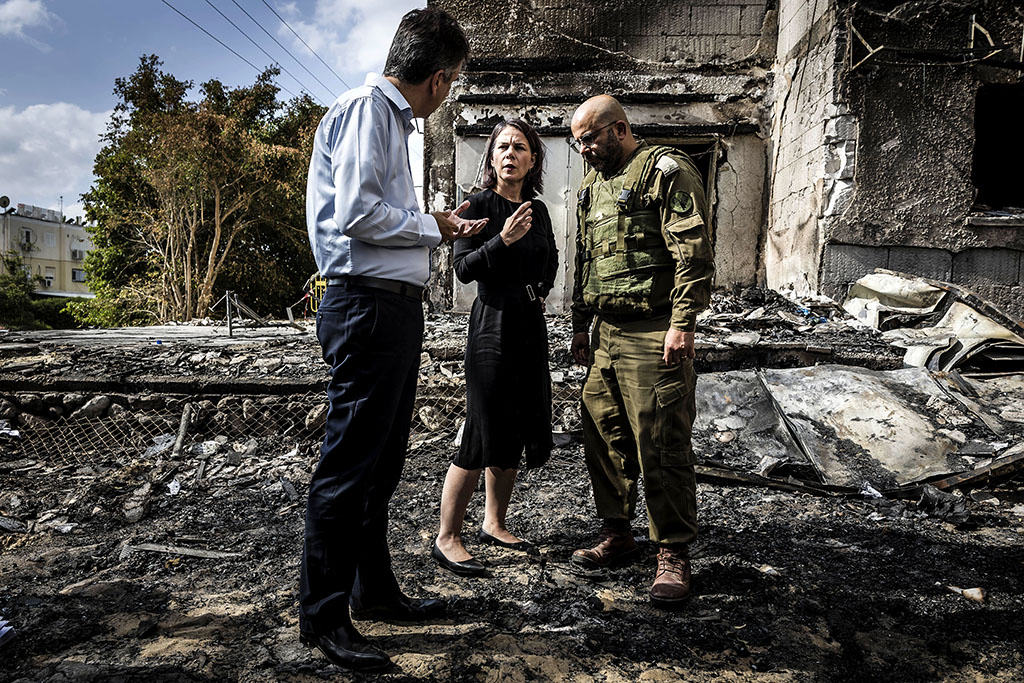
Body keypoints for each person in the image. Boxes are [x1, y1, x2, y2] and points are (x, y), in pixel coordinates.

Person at [301, 8, 485, 671]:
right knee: (350, 464)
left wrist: (431, 225)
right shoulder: (368, 110)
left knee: (379, 465)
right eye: (453, 80)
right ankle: (324, 616)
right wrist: (435, 225)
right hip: (367, 305)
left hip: (388, 307)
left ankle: (372, 592)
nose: (449, 92)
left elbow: (374, 211)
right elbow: (357, 214)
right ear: (439, 79)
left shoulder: (387, 118)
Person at [567, 95, 714, 607]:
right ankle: (618, 533)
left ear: (620, 129)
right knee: (604, 438)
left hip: (654, 331)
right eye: (577, 142)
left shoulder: (665, 170)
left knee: (661, 443)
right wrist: (581, 325)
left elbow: (693, 254)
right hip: (605, 333)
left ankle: (672, 552)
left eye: (589, 138)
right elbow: (585, 260)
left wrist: (682, 325)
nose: (583, 149)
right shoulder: (591, 187)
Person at [432, 119, 557, 577]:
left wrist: (541, 289)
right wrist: (502, 241)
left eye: (519, 147)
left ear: (533, 159)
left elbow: (551, 258)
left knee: (515, 423)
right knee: (482, 426)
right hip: (492, 322)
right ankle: (448, 536)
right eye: (502, 146)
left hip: (529, 323)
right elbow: (463, 269)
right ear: (491, 158)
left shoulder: (538, 210)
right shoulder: (478, 204)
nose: (510, 153)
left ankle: (494, 523)